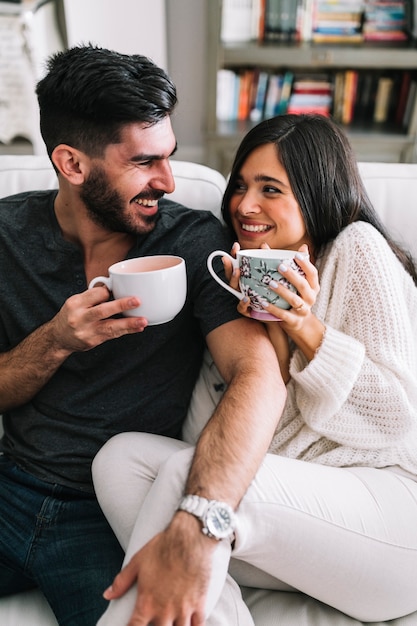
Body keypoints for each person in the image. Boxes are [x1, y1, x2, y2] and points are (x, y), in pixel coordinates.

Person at [93, 114, 417, 625]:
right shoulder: (242, 276)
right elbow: (237, 442)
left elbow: (393, 419)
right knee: (121, 460)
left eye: (271, 188)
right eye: (240, 185)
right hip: (296, 527)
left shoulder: (357, 249)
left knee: (191, 480)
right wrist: (266, 332)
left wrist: (307, 328)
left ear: (316, 193)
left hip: (391, 522)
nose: (245, 205)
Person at [0, 44, 284, 626]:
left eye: (170, 157)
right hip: (9, 486)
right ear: (72, 164)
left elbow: (259, 378)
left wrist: (200, 520)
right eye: (143, 162)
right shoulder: (5, 236)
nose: (168, 179)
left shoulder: (194, 243)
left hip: (106, 514)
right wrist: (55, 340)